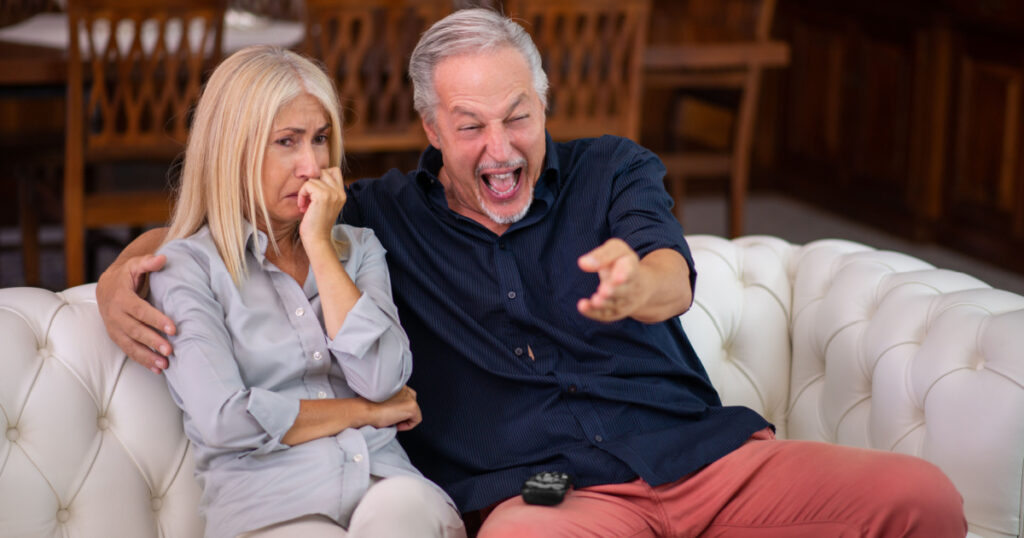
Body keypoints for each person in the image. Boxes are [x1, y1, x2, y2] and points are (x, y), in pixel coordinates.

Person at [98, 9, 966, 538]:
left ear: (544, 105)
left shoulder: (611, 170)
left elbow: (672, 274)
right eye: (471, 124)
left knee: (919, 499)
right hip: (546, 505)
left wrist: (639, 286)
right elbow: (253, 206)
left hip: (697, 460)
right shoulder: (376, 218)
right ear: (429, 128)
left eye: (519, 116)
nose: (501, 146)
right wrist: (122, 273)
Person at [145, 45, 465, 538]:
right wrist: (365, 413)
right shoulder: (188, 269)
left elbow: (381, 376)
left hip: (384, 484)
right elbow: (225, 419)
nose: (312, 165)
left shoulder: (358, 249)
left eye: (320, 139)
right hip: (273, 506)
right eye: (287, 142)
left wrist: (319, 245)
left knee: (407, 512)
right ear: (234, 150)